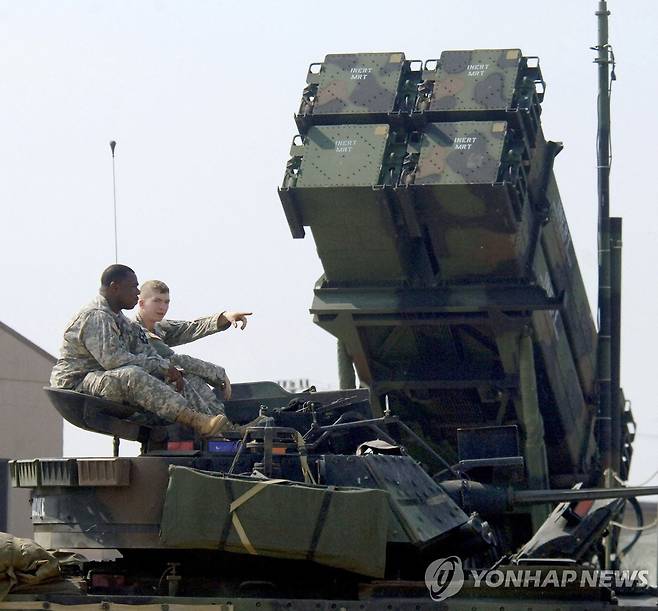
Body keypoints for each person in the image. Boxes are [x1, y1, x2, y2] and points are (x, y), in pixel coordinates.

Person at [50, 264, 239, 437]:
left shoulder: (121, 320)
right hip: (77, 382)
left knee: (175, 375)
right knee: (133, 375)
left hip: (103, 377)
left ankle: (222, 431)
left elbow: (149, 351)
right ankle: (195, 421)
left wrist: (168, 370)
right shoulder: (96, 317)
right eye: (133, 287)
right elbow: (114, 360)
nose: (137, 292)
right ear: (115, 287)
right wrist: (162, 366)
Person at [135, 279, 252, 401]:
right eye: (157, 301)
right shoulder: (136, 331)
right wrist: (218, 374)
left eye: (166, 302)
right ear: (142, 303)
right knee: (190, 379)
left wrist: (224, 317)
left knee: (189, 378)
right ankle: (215, 417)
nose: (162, 307)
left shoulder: (158, 327)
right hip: (144, 388)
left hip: (159, 386)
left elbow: (190, 327)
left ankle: (218, 416)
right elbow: (173, 359)